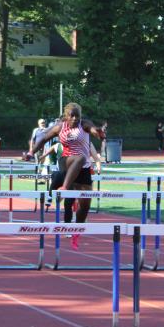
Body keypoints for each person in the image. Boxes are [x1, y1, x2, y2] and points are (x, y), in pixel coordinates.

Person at [27, 103, 104, 248]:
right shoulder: (60, 127)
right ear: (66, 116)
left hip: (83, 169)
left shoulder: (84, 124)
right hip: (66, 162)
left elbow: (93, 130)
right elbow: (43, 139)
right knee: (80, 157)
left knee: (85, 206)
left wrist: (97, 133)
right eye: (72, 116)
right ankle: (63, 187)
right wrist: (31, 152)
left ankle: (76, 232)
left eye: (77, 116)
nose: (75, 118)